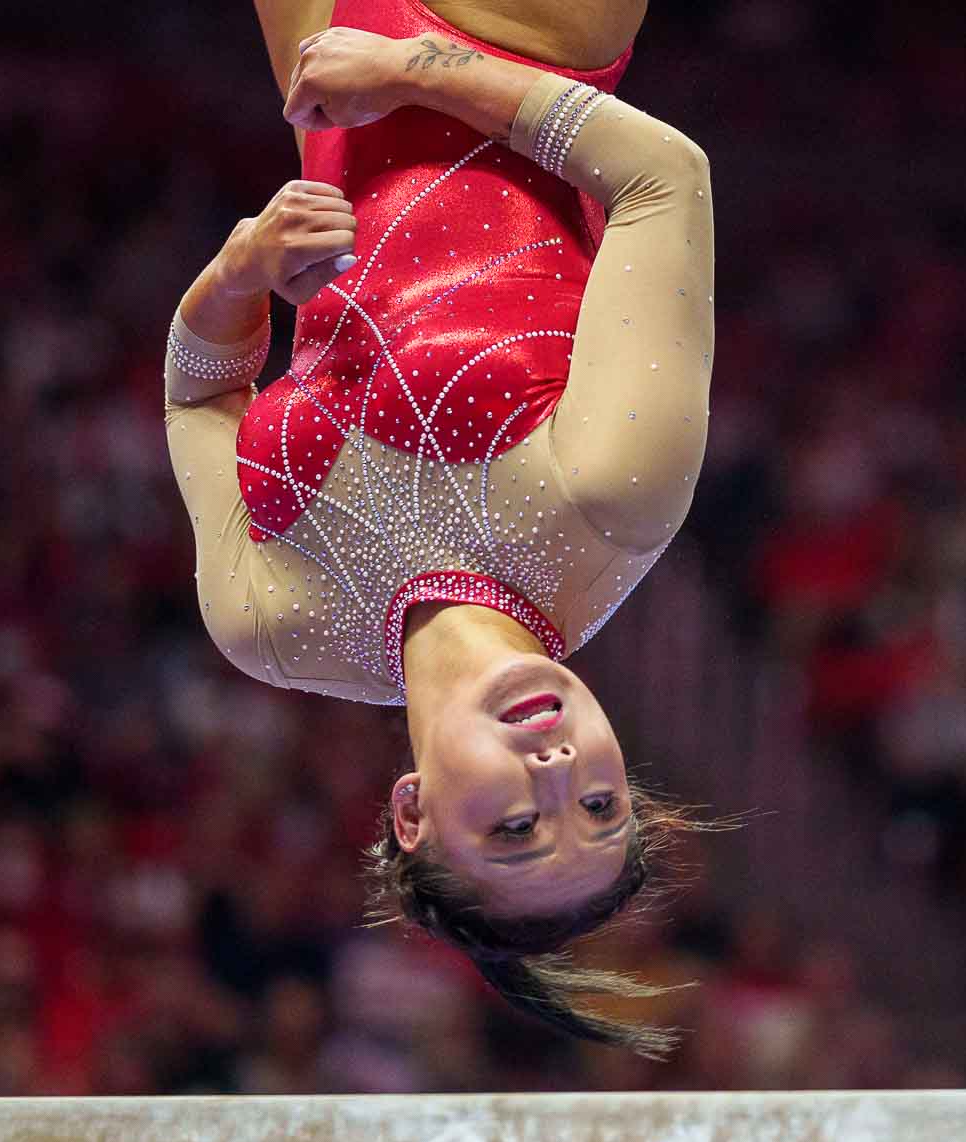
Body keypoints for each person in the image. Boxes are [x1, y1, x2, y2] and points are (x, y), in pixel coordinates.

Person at [163, 0, 716, 1054]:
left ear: (410, 814)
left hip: (330, 91)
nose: (556, 774)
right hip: (523, 34)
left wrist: (240, 274)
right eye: (602, 803)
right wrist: (424, 69)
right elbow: (663, 180)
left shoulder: (273, 626)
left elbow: (200, 400)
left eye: (516, 829)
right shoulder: (613, 502)